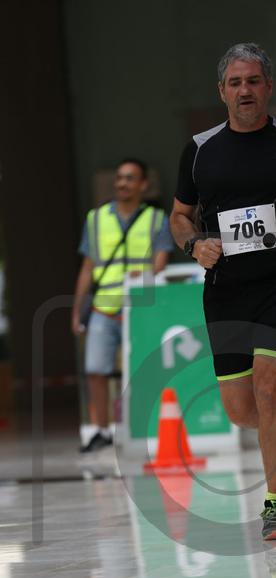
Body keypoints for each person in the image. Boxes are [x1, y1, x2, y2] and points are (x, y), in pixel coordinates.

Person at [170, 43, 276, 540]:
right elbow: (179, 216)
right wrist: (194, 244)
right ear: (221, 91)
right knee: (242, 410)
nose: (244, 90)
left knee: (269, 392)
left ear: (268, 87)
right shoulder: (200, 149)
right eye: (235, 83)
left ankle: (275, 506)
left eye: (252, 81)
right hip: (226, 289)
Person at [72, 158, 174, 452]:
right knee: (95, 369)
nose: (122, 183)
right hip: (103, 307)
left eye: (130, 178)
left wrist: (143, 277)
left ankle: (146, 429)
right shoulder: (95, 219)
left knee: (144, 370)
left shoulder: (157, 219)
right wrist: (77, 310)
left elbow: (160, 264)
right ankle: (101, 431)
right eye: (119, 177)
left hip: (140, 308)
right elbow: (87, 268)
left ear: (144, 184)